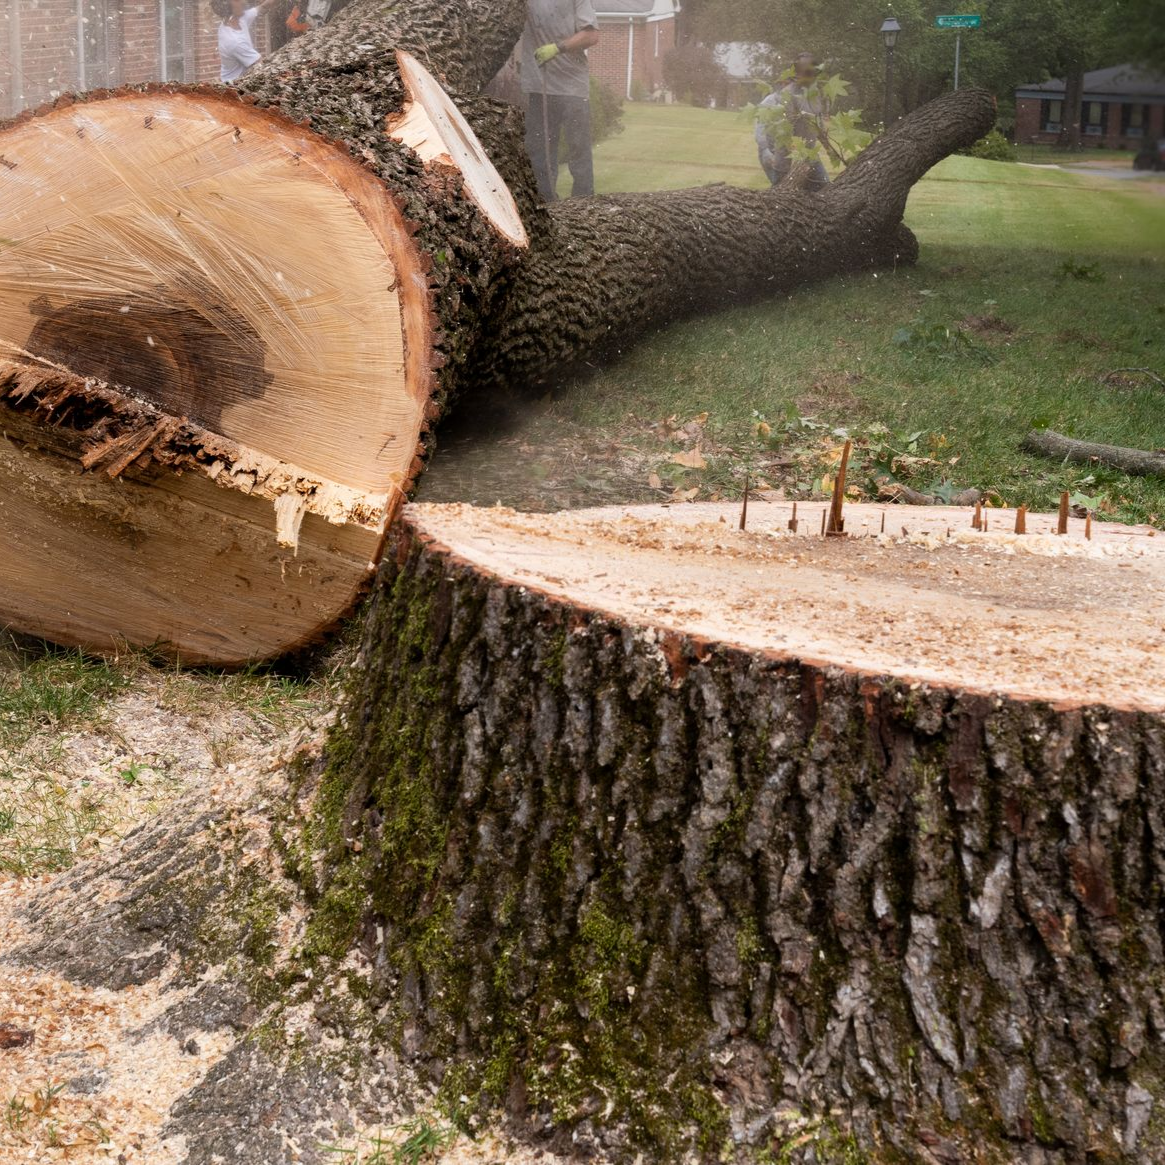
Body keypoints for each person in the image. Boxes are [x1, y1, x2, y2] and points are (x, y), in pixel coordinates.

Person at [521, 0, 600, 202]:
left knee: (578, 150)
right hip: (540, 87)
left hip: (572, 87)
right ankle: (546, 204)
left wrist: (558, 48)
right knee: (540, 153)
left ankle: (584, 205)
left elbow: (591, 35)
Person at [755, 52, 829, 189]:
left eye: (812, 72)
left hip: (809, 156)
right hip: (787, 160)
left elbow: (818, 123)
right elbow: (783, 132)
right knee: (785, 195)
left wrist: (829, 147)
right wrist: (766, 151)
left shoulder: (814, 94)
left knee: (825, 189)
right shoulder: (784, 97)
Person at [211, 0, 280, 84]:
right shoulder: (235, 42)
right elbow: (261, 66)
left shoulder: (236, 19)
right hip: (234, 88)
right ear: (227, 7)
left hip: (240, 81)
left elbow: (263, 7)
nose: (243, 2)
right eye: (237, 1)